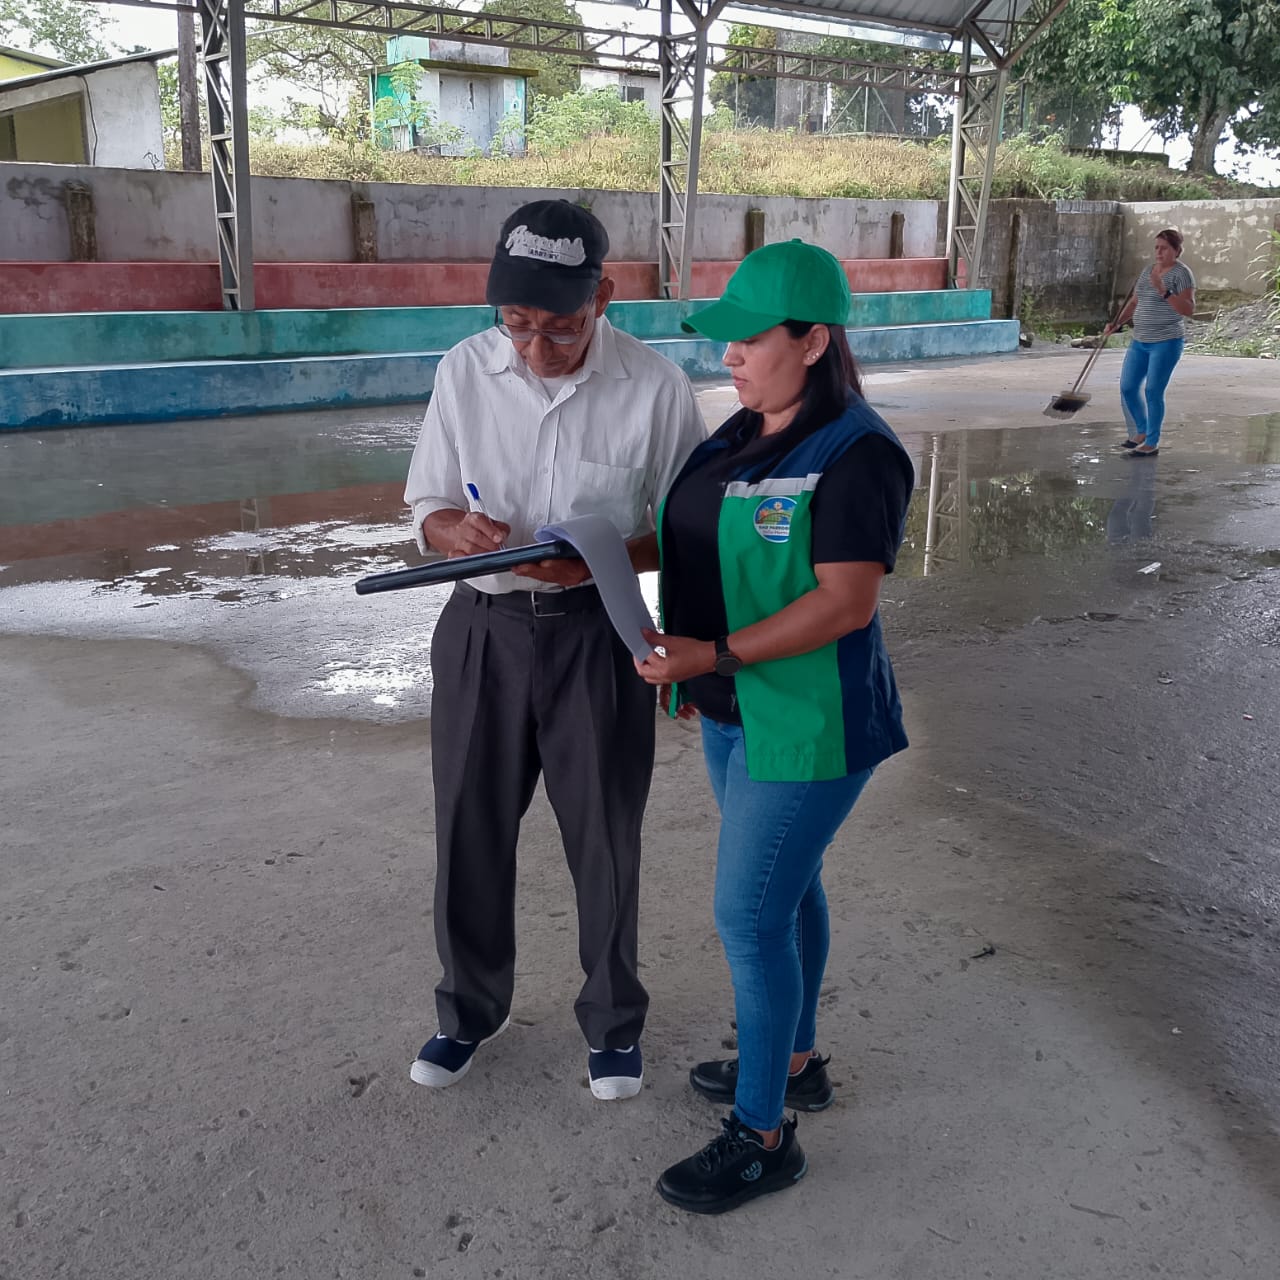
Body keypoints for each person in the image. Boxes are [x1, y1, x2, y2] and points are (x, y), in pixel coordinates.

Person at [634, 240, 915, 1214]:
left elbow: (843, 602)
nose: (730, 356)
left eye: (750, 339)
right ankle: (793, 1063)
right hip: (734, 708)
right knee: (786, 893)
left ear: (814, 340)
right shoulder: (742, 431)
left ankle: (763, 1137)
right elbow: (694, 532)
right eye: (727, 339)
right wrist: (584, 554)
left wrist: (711, 654)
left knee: (749, 917)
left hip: (809, 719)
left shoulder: (855, 452)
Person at [403, 199, 705, 1102]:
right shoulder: (464, 371)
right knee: (469, 828)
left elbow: (684, 531)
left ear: (601, 298)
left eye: (561, 328)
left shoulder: (655, 388)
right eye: (518, 324)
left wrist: (598, 560)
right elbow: (427, 503)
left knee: (605, 835)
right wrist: (452, 531)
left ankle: (612, 1024)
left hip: (596, 638)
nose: (536, 349)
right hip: (482, 633)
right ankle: (468, 1010)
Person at [1104, 228, 1196, 458]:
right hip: (1140, 340)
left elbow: (1188, 309)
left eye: (1164, 248)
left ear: (1176, 250)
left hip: (1166, 341)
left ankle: (1152, 442)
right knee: (1128, 387)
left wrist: (1164, 290)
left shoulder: (1182, 274)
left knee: (1153, 390)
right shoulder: (1148, 271)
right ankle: (1142, 430)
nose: (1159, 252)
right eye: (1156, 247)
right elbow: (1135, 302)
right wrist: (1117, 322)